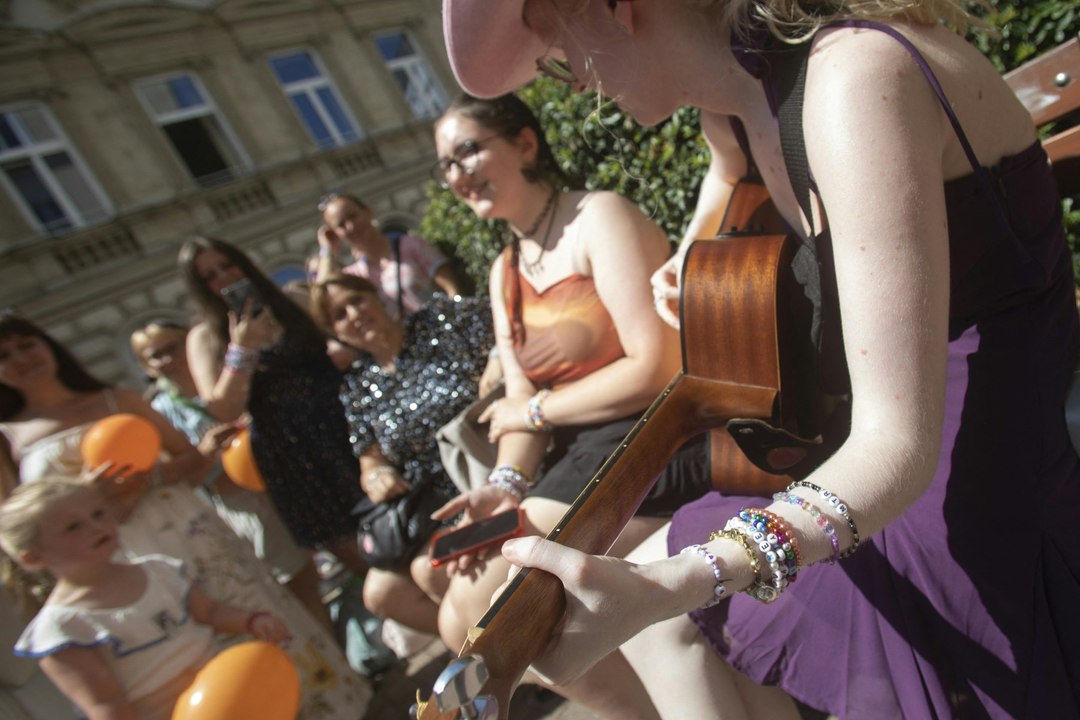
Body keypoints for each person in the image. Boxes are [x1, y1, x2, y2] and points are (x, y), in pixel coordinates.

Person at [440, 1, 1080, 719]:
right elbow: (725, 173)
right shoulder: (740, 103)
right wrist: (693, 250)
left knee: (669, 613)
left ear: (615, 8)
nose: (574, 84)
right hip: (888, 452)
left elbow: (898, 448)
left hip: (988, 486)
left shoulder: (853, 81)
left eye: (561, 56)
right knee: (665, 623)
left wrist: (679, 581)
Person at [429, 92, 713, 718]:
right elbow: (519, 397)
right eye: (446, 164)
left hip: (657, 436)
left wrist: (535, 413)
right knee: (450, 601)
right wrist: (505, 482)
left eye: (468, 151)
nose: (457, 173)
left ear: (525, 143)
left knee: (485, 604)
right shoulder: (505, 268)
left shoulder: (598, 217)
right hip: (579, 454)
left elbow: (656, 365)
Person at [0, 314, 370, 718]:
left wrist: (146, 479)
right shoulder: (7, 438)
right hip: (114, 563)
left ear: (48, 345)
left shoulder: (117, 399)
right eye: (4, 355)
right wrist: (86, 499)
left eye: (27, 345)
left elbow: (193, 463)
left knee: (256, 624)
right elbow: (15, 524)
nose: (21, 359)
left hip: (188, 537)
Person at [1, 479, 290, 720]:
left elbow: (209, 611)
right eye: (73, 527)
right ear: (33, 557)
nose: (96, 526)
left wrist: (252, 620)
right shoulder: (64, 628)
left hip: (229, 698)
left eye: (98, 514)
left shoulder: (157, 570)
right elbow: (106, 706)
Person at [311, 273, 494, 636]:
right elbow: (370, 458)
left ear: (377, 296)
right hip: (436, 500)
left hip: (487, 461)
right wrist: (377, 476)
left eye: (356, 300)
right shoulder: (358, 386)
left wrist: (497, 364)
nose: (354, 315)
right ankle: (493, 651)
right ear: (335, 332)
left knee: (431, 569)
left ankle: (509, 649)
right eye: (339, 315)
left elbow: (505, 325)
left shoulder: (439, 321)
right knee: (381, 595)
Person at [179, 236, 367, 575]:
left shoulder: (290, 300)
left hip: (348, 423)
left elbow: (345, 332)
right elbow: (222, 409)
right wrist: (242, 349)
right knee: (355, 549)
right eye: (209, 276)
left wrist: (339, 348)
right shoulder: (205, 337)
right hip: (293, 453)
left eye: (227, 265)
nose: (223, 277)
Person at [129, 320, 329, 633]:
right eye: (156, 355)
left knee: (325, 570)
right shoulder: (160, 411)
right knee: (296, 585)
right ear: (146, 366)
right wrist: (205, 452)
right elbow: (183, 478)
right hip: (242, 504)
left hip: (288, 481)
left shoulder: (222, 380)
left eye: (173, 347)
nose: (168, 359)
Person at [314, 193, 461, 317]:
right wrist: (327, 249)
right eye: (341, 225)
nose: (350, 226)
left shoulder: (411, 245)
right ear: (336, 233)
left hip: (444, 326)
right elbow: (323, 295)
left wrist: (458, 318)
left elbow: (451, 287)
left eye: (353, 216)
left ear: (368, 212)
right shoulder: (355, 275)